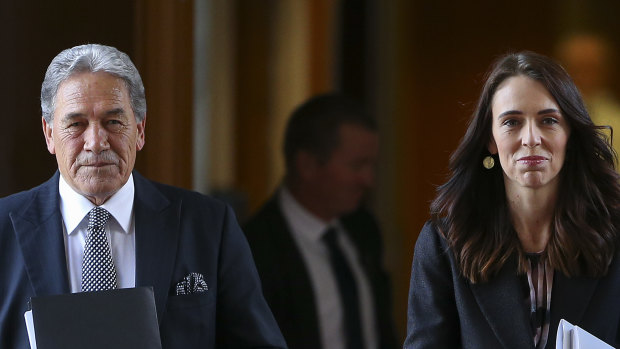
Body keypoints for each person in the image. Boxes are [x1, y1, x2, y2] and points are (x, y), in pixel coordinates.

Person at [0, 44, 287, 348]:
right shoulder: (3, 231)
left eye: (113, 122)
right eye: (76, 124)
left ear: (139, 129)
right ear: (49, 134)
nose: (96, 142)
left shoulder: (208, 226)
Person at [404, 51, 620, 349]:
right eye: (512, 122)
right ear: (490, 140)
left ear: (569, 134)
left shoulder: (614, 236)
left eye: (548, 120)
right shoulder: (444, 245)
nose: (531, 138)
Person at [243, 94, 398, 349]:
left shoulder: (364, 228)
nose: (368, 181)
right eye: (357, 166)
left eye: (372, 166)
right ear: (307, 165)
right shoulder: (254, 248)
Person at [556, 32, 620, 162]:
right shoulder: (544, 113)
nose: (584, 75)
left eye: (591, 67)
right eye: (577, 68)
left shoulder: (616, 119)